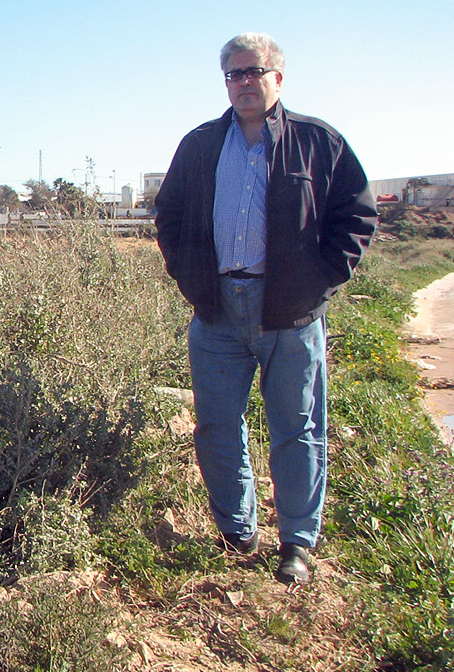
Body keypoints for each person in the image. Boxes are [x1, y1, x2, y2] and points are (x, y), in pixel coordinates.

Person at [155, 33, 377, 585]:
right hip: (217, 310)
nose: (244, 83)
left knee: (297, 429)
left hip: (291, 312)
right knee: (215, 426)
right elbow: (171, 216)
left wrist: (321, 282)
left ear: (278, 76)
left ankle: (297, 544)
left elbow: (357, 215)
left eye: (254, 72)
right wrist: (190, 276)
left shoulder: (318, 142)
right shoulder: (201, 144)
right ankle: (238, 530)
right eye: (234, 74)